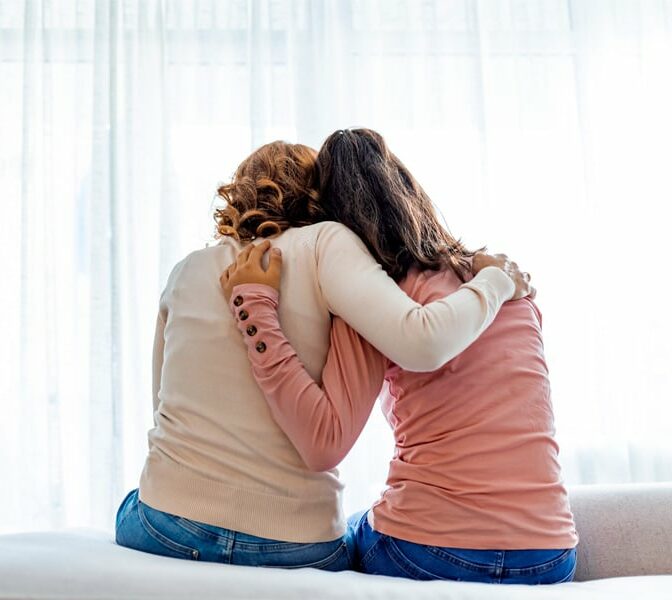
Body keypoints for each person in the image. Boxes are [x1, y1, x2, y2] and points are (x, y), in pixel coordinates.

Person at [115, 140, 532, 569]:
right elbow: (417, 340)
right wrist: (494, 281)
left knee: (136, 499)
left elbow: (163, 408)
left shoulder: (186, 269)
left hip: (166, 524)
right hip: (295, 541)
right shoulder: (329, 244)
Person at [220, 128, 577, 583]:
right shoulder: (508, 286)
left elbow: (322, 443)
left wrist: (258, 315)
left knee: (337, 537)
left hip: (429, 549)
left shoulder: (376, 301)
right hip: (549, 552)